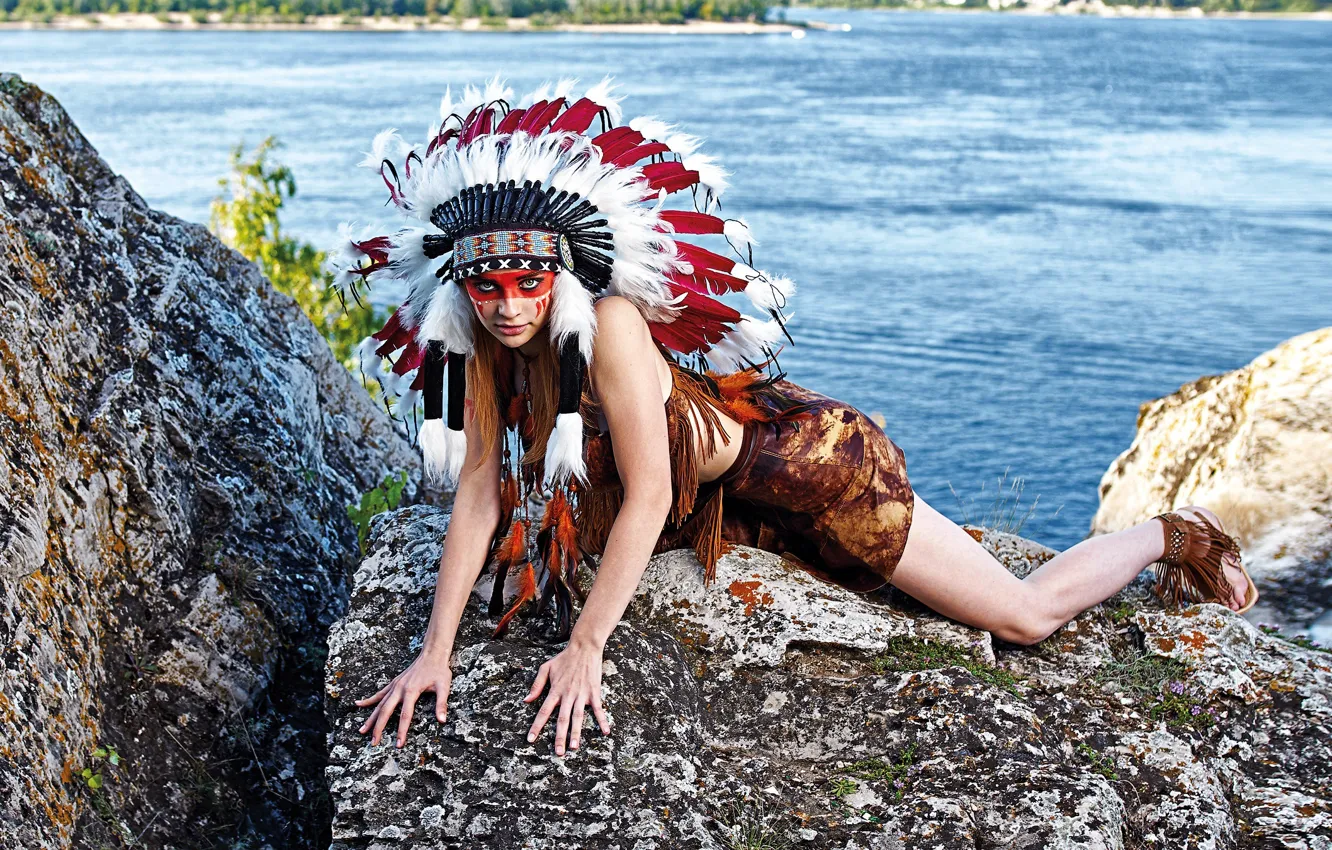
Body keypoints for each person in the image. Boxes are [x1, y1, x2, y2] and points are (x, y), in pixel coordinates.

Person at [326, 77, 1258, 759]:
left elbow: (649, 494)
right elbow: (480, 493)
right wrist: (432, 653)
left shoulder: (606, 324)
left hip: (816, 474)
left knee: (1020, 615)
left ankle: (1174, 534)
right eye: (485, 285)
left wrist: (586, 649)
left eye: (529, 281)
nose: (506, 303)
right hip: (733, 502)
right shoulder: (487, 345)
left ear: (563, 274)